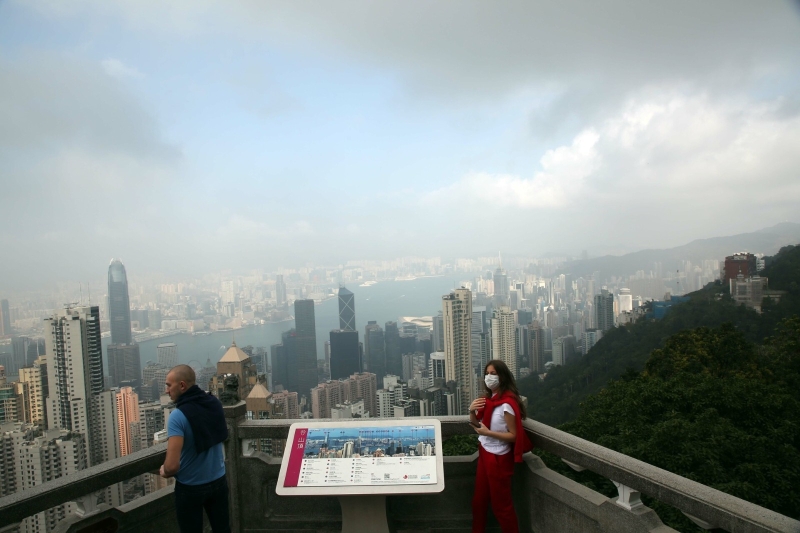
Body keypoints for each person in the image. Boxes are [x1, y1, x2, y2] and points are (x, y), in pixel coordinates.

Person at [161, 364, 231, 533]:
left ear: (182, 385)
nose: (166, 391)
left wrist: (164, 471)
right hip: (219, 481)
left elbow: (172, 466)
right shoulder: (213, 403)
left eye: (169, 385)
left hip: (190, 487)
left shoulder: (178, 416)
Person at [469, 359, 532, 533]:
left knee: (501, 507)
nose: (489, 377)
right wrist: (471, 411)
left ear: (502, 377)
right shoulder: (488, 400)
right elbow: (477, 425)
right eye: (487, 374)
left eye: (493, 374)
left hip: (499, 458)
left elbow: (514, 436)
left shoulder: (507, 404)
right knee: (479, 501)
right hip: (484, 452)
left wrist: (489, 433)